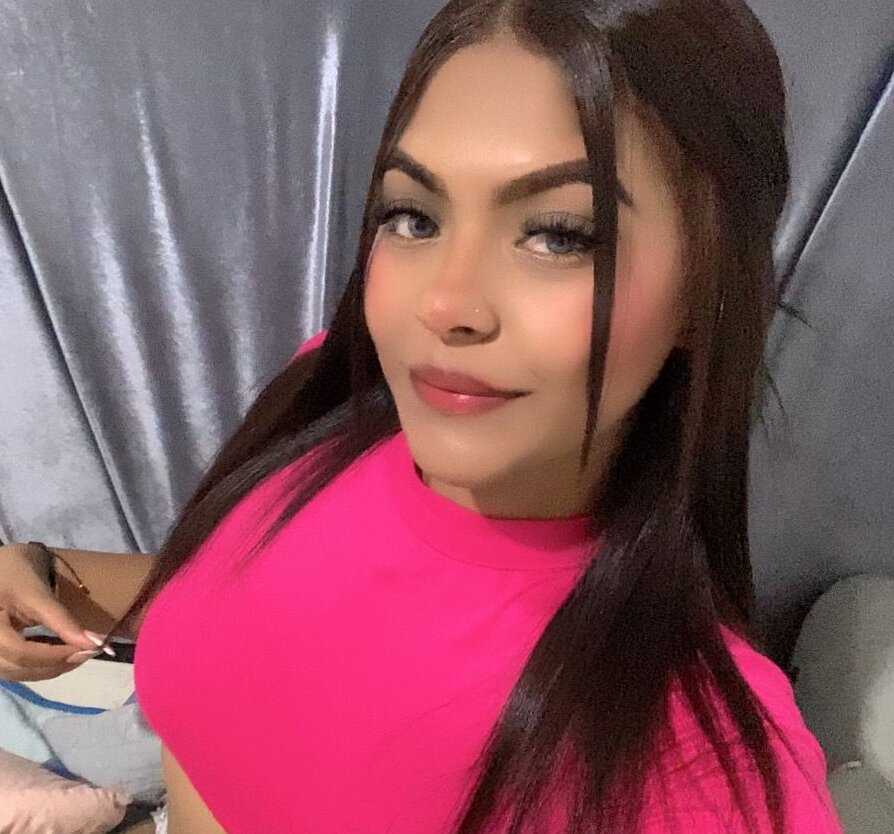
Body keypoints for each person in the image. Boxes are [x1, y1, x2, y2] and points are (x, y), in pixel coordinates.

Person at [0, 0, 845, 831]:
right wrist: (51, 577)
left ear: (708, 290)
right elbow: (247, 596)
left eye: (559, 234)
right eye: (414, 217)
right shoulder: (332, 409)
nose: (444, 303)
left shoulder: (706, 773)